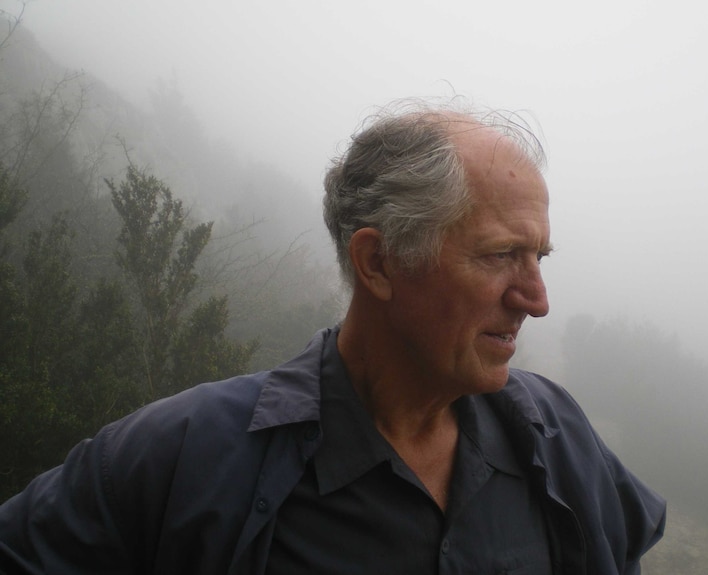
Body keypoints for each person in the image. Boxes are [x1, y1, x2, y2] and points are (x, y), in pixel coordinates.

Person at [0, 100, 665, 574]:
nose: (537, 300)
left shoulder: (562, 439)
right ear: (379, 262)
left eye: (539, 257)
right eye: (499, 255)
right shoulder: (182, 459)